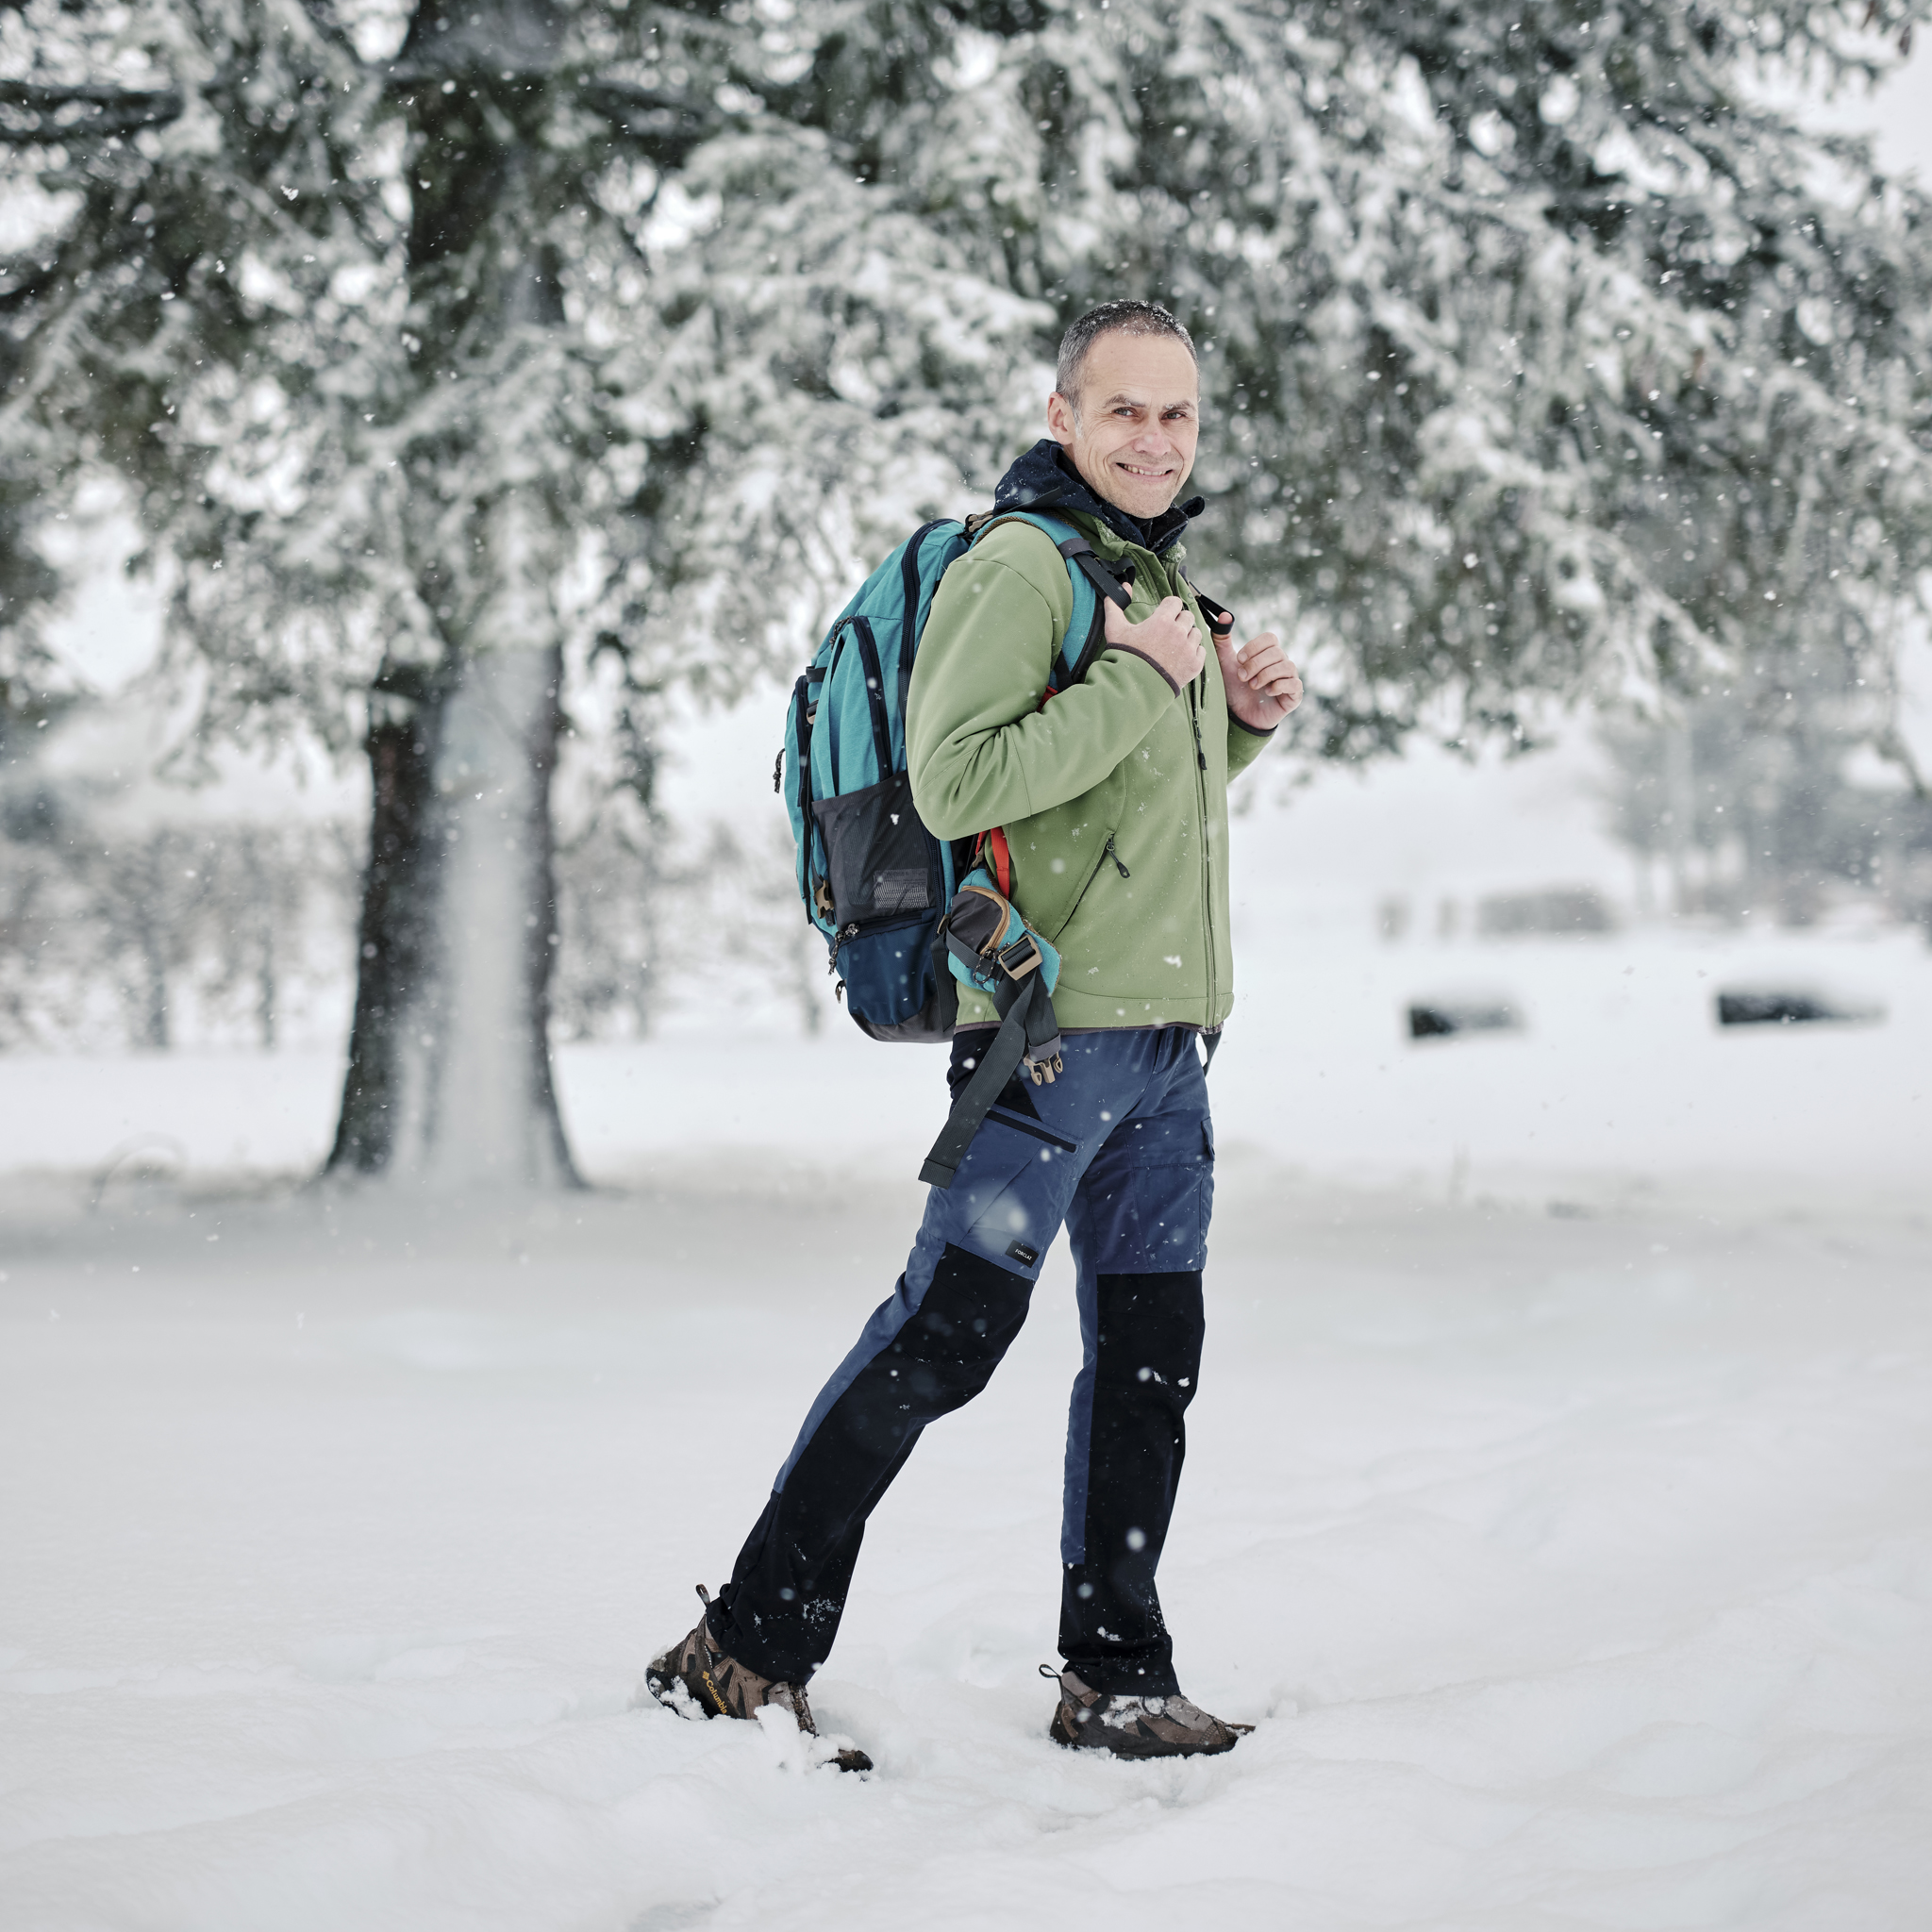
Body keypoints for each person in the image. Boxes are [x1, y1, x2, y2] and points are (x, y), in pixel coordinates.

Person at [648, 301, 1304, 1766]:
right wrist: (1147, 680)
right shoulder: (1022, 568)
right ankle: (744, 1647)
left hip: (1163, 1059)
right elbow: (958, 781)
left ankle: (1116, 1674)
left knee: (1150, 1365)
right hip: (1048, 1049)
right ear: (1062, 415)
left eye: (1178, 415)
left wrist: (1233, 723)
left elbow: (1120, 815)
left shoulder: (1150, 582)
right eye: (1124, 410)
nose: (1154, 437)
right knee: (942, 1343)